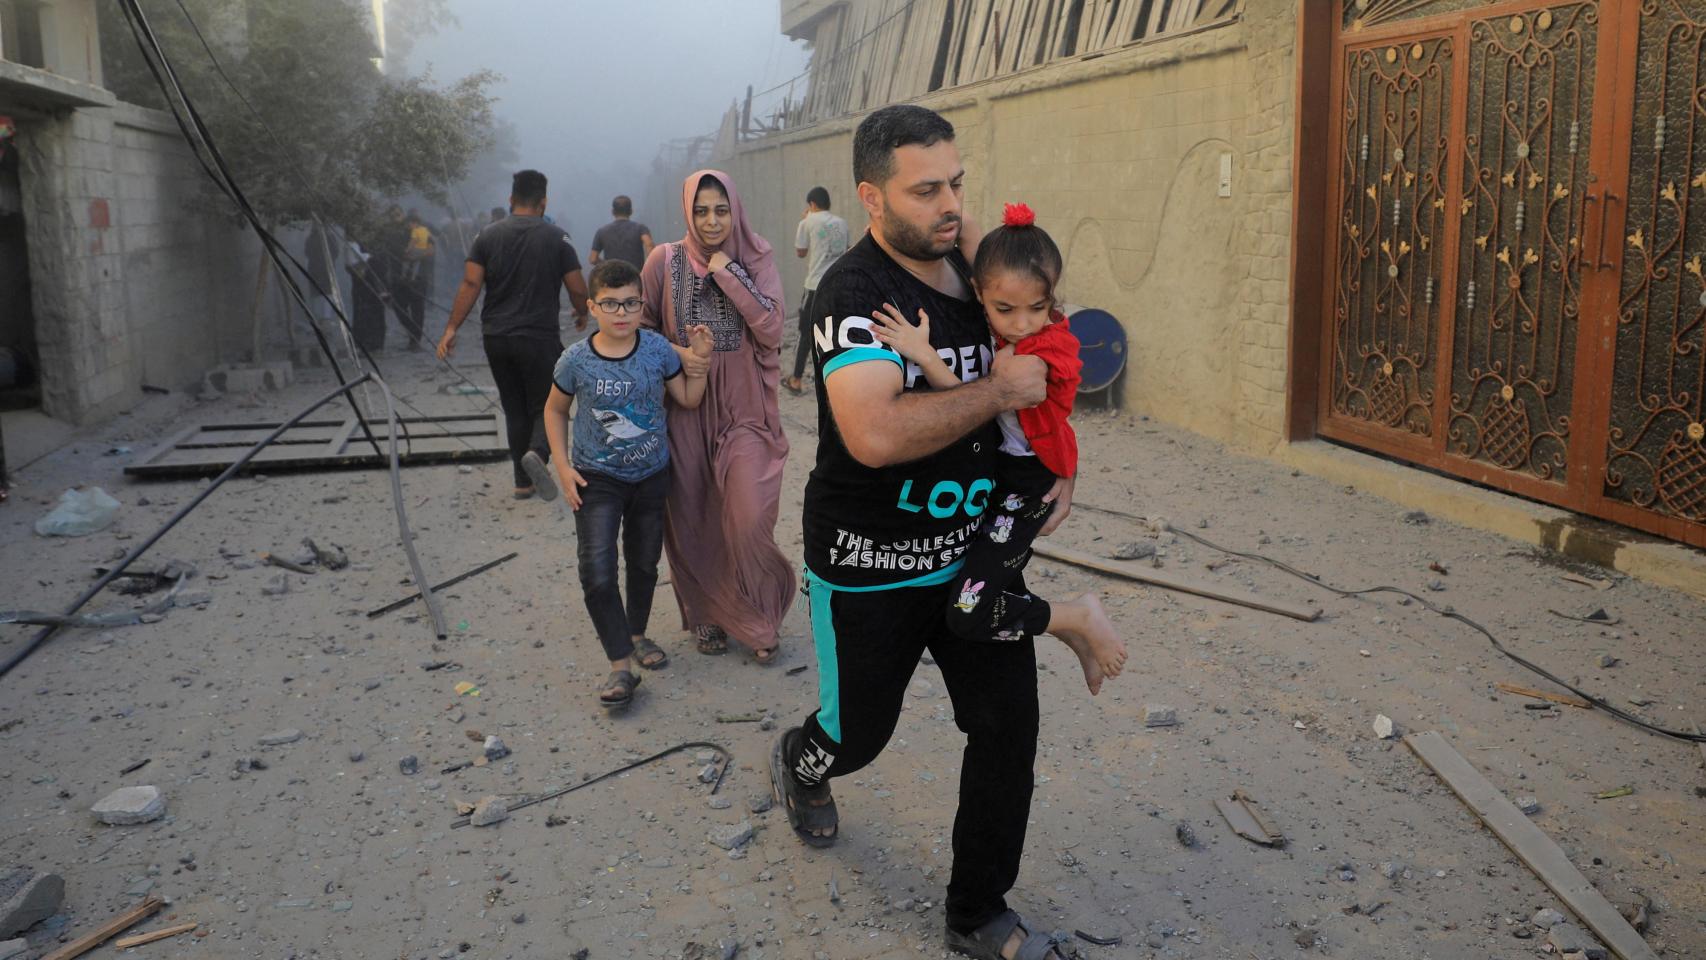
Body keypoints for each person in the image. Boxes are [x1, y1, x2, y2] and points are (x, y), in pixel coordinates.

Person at [769, 105, 1111, 960]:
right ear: (872, 197)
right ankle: (800, 761)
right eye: (926, 190)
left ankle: (977, 913)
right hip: (869, 563)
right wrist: (998, 391)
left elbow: (1045, 357)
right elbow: (874, 434)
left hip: (971, 553)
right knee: (856, 738)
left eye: (955, 182)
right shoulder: (853, 294)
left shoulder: (977, 264)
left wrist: (1061, 464)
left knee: (1007, 726)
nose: (951, 203)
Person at [870, 202, 1126, 694]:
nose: (1022, 324)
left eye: (1038, 308)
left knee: (968, 611)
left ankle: (1078, 618)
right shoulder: (999, 327)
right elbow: (972, 238)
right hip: (999, 480)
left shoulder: (1037, 354)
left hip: (1026, 488)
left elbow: (975, 402)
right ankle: (1072, 633)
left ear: (1053, 299)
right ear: (978, 294)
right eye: (1005, 310)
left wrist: (922, 353)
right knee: (981, 592)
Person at [542, 259, 714, 709]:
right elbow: (555, 410)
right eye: (611, 304)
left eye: (631, 303)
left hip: (652, 476)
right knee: (597, 572)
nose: (622, 313)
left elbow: (688, 399)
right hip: (595, 479)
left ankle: (636, 635)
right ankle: (620, 665)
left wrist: (701, 361)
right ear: (591, 306)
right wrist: (561, 465)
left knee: (643, 564)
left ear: (642, 305)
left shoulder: (657, 349)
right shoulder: (575, 360)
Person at [639, 170, 794, 663]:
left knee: (749, 516)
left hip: (745, 409)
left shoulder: (756, 258)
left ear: (735, 211)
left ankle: (760, 618)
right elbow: (638, 330)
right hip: (685, 405)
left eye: (721, 211)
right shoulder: (663, 260)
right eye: (701, 211)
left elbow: (772, 330)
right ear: (688, 212)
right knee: (694, 515)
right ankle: (706, 612)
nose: (711, 221)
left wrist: (729, 272)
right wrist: (682, 355)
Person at [437, 169, 590, 498]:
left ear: (511, 199)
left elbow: (470, 283)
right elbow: (577, 287)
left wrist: (451, 329)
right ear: (543, 202)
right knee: (551, 403)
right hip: (538, 336)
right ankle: (538, 453)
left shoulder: (486, 236)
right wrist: (583, 311)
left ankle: (523, 483)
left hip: (496, 337)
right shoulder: (557, 237)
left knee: (514, 408)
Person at [783, 186, 849, 395]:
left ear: (812, 204)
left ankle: (796, 379)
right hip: (838, 285)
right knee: (834, 332)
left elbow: (801, 252)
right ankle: (836, 383)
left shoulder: (807, 222)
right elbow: (847, 250)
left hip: (814, 286)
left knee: (806, 333)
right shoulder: (841, 223)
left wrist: (806, 221)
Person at [399, 210, 435, 350]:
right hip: (402, 278)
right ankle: (412, 334)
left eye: (411, 223)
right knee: (400, 307)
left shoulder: (425, 234)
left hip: (420, 277)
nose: (409, 226)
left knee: (417, 309)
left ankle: (415, 339)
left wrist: (415, 256)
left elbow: (431, 250)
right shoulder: (401, 235)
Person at [589, 195, 654, 268]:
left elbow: (593, 259)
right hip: (635, 273)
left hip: (612, 274)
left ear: (613, 212)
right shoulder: (640, 228)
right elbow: (649, 244)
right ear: (631, 211)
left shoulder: (601, 231)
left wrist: (608, 265)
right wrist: (648, 266)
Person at [347, 241, 388, 353]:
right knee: (365, 314)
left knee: (373, 314)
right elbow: (351, 266)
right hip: (363, 287)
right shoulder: (353, 244)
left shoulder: (375, 248)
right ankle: (368, 344)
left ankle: (374, 344)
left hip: (371, 288)